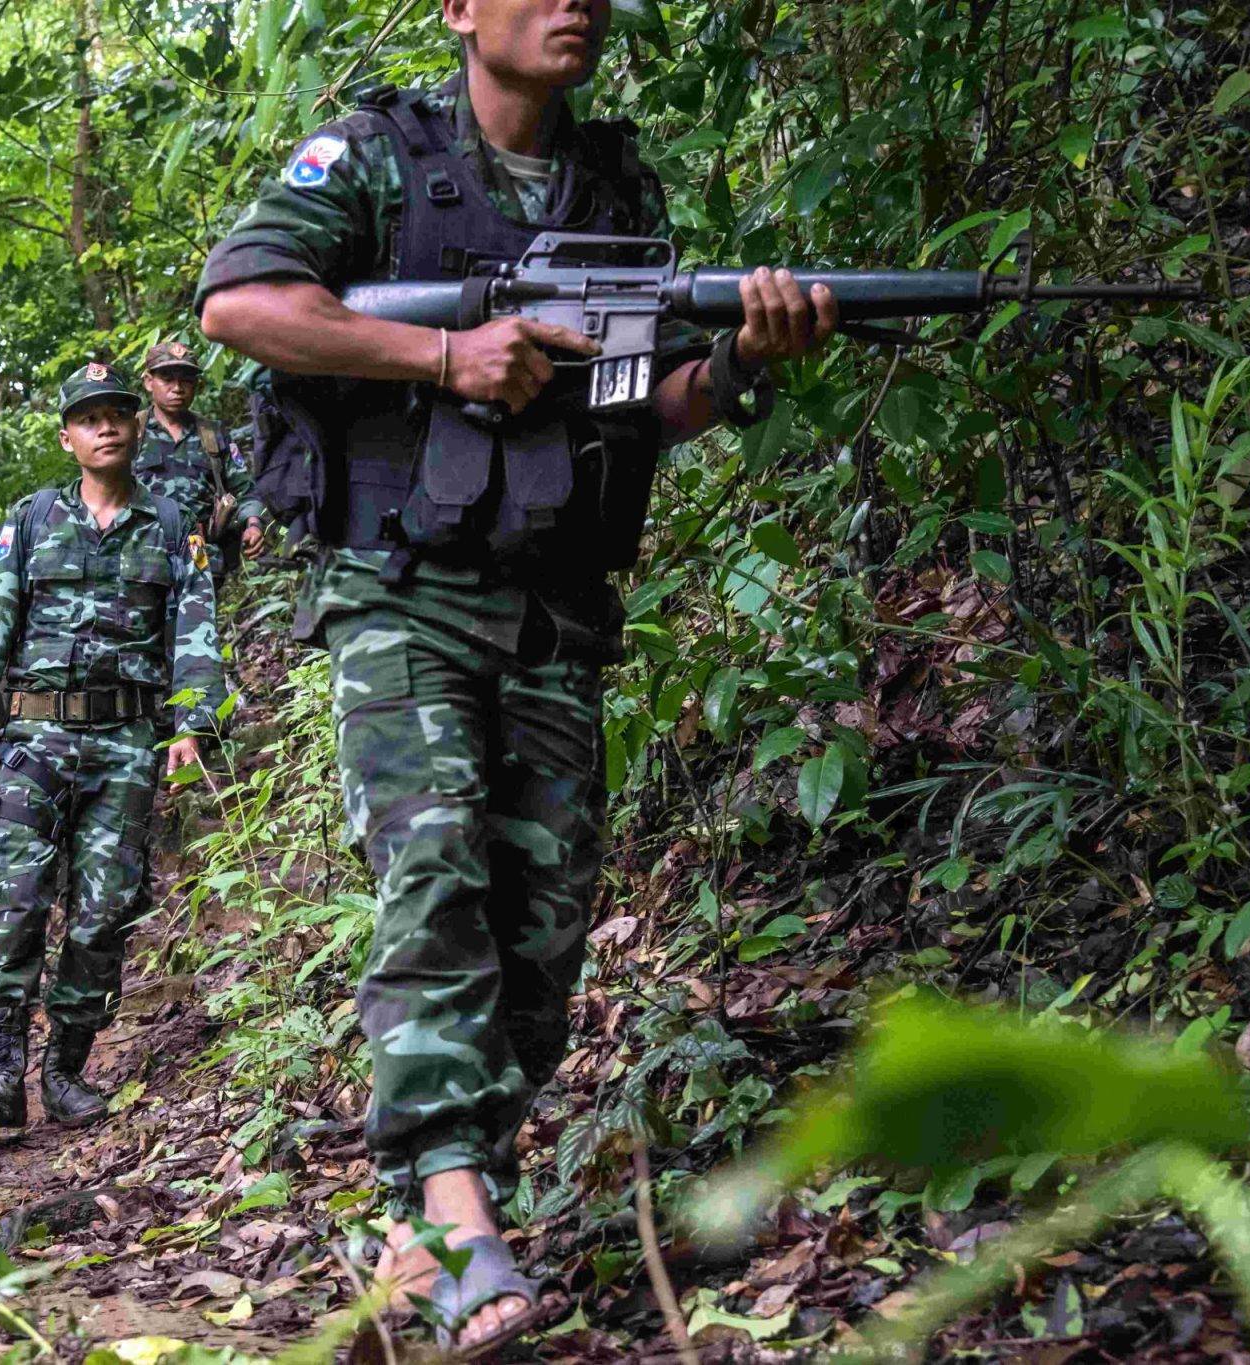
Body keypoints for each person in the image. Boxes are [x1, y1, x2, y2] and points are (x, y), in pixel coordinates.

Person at [195, 0, 833, 1352]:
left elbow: (643, 407)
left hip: (552, 605)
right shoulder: (375, 159)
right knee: (434, 874)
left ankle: (418, 1230)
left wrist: (736, 362)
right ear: (460, 11)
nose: (576, 5)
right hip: (402, 591)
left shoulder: (615, 185)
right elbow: (242, 304)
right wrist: (444, 355)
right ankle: (463, 1221)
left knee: (538, 938)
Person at [0, 361, 224, 1130]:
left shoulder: (167, 526)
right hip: (33, 739)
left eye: (117, 413)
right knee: (17, 900)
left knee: (103, 909)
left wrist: (189, 724)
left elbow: (195, 632)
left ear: (133, 427)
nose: (106, 426)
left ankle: (64, 1070)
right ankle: (0, 1071)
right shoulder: (31, 519)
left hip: (125, 744)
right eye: (89, 417)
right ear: (67, 436)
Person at [136, 338, 269, 582]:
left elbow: (244, 490)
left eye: (186, 379)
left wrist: (253, 524)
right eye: (167, 379)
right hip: (142, 556)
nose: (177, 387)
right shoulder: (130, 431)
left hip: (198, 548)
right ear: (148, 382)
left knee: (199, 616)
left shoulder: (213, 434)